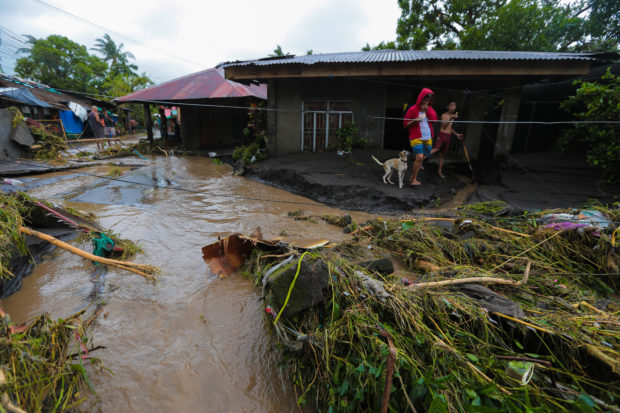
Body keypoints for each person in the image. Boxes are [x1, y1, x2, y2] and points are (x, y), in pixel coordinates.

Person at [404, 88, 437, 186]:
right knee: (419, 158)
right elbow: (405, 124)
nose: (427, 102)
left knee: (423, 157)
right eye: (425, 100)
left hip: (428, 137)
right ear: (421, 98)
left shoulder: (430, 109)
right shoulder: (412, 109)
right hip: (416, 137)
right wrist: (415, 120)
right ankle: (413, 179)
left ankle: (412, 176)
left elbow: (434, 121)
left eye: (428, 101)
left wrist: (428, 111)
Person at [431, 100, 463, 178]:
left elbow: (450, 128)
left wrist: (456, 134)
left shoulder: (453, 116)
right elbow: (445, 126)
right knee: (436, 149)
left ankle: (439, 171)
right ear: (447, 107)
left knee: (442, 155)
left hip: (448, 136)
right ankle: (420, 160)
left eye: (454, 105)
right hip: (442, 135)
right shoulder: (443, 115)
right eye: (451, 105)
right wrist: (451, 118)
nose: (453, 107)